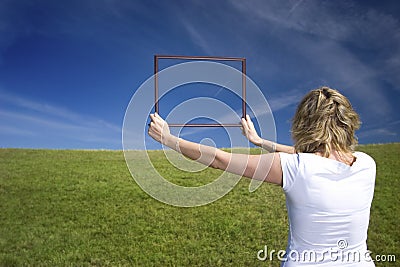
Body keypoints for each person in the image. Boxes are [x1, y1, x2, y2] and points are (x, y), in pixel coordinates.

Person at [148, 86, 376, 266]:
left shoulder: (295, 168)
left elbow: (220, 160)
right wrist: (259, 142)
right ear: (347, 122)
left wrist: (168, 139)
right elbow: (315, 157)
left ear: (305, 124)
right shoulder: (366, 164)